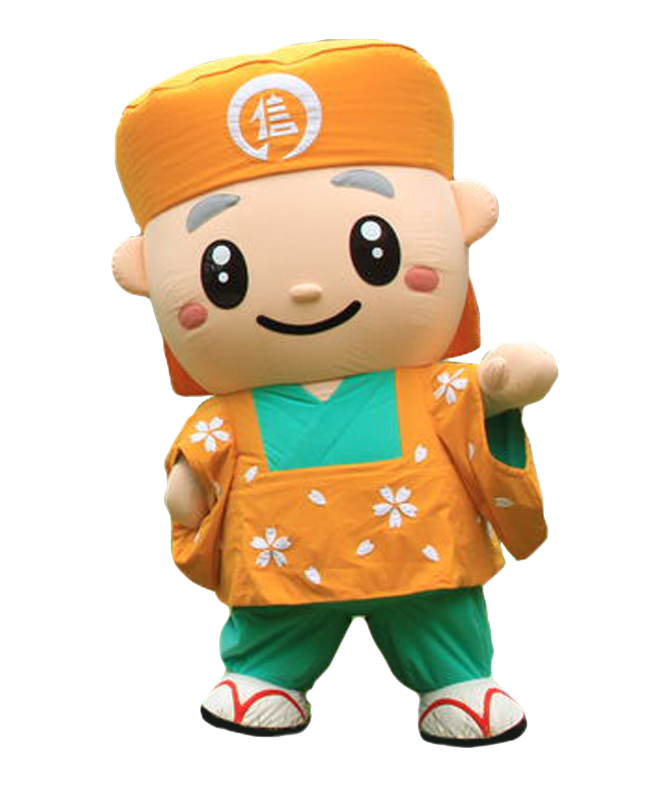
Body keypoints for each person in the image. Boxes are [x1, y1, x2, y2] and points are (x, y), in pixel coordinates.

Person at [112, 39, 557, 745]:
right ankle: (265, 672)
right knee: (275, 619)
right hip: (282, 560)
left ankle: (456, 678)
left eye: (374, 249)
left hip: (420, 553)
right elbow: (204, 454)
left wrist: (502, 388)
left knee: (437, 613)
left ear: (461, 220)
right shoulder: (234, 412)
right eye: (224, 273)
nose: (304, 290)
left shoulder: (431, 388)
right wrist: (188, 486)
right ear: (145, 273)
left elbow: (476, 402)